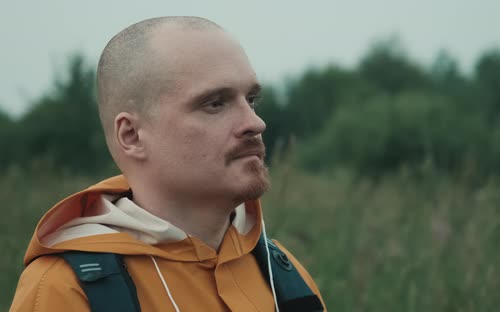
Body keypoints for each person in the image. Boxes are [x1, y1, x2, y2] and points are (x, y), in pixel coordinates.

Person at [10, 16, 325, 312]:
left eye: (251, 100)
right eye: (215, 103)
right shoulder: (64, 290)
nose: (255, 123)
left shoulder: (282, 275)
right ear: (131, 135)